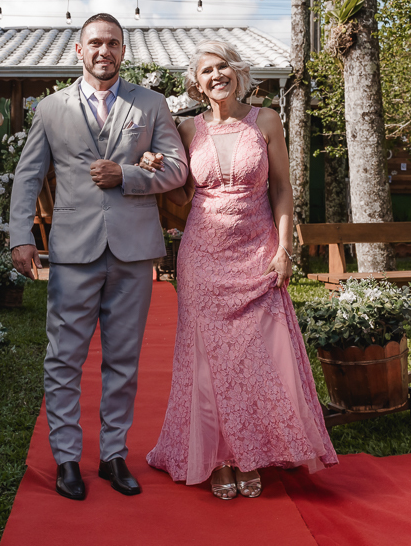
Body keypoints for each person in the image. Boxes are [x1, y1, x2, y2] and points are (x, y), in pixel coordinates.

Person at [140, 40, 338, 500]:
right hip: (203, 256)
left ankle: (255, 451)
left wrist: (285, 248)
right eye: (206, 70)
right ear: (196, 83)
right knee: (207, 362)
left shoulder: (266, 120)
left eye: (223, 66)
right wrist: (155, 169)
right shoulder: (187, 129)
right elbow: (180, 198)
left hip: (257, 251)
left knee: (257, 357)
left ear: (237, 71)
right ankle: (219, 459)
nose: (216, 75)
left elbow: (282, 188)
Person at [8, 13, 188, 501]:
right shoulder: (51, 108)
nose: (103, 50)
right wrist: (20, 235)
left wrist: (127, 175)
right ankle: (67, 458)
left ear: (123, 51)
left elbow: (177, 168)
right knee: (63, 357)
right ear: (79, 50)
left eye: (112, 43)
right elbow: (28, 176)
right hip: (73, 251)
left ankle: (113, 455)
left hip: (134, 251)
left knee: (123, 360)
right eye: (95, 43)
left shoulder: (150, 104)